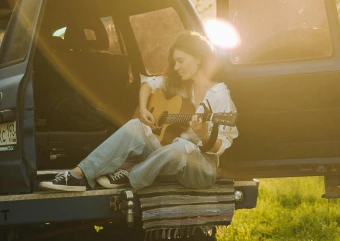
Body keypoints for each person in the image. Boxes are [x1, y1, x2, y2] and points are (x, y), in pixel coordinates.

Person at [39, 31, 238, 192]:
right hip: (169, 158)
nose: (176, 67)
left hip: (201, 165)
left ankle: (131, 173)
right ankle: (78, 174)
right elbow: (148, 82)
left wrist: (203, 133)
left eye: (180, 60)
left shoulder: (219, 95)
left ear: (199, 58)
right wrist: (143, 109)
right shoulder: (183, 87)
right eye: (174, 62)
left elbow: (223, 144)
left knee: (182, 146)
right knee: (136, 126)